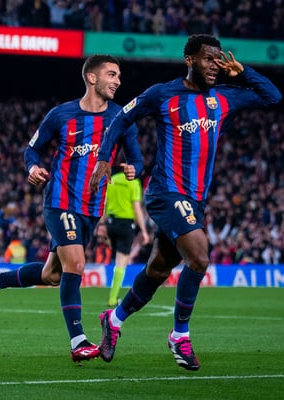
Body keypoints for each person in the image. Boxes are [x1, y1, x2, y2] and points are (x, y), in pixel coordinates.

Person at [89, 34, 282, 371]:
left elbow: (273, 96)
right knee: (200, 256)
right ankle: (180, 336)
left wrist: (244, 72)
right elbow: (121, 119)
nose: (215, 65)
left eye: (218, 60)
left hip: (196, 200)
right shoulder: (162, 94)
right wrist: (104, 158)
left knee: (157, 269)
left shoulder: (224, 97)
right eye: (208, 59)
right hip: (166, 192)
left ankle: (114, 319)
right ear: (189, 60)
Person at [0, 54, 143, 363]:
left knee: (52, 275)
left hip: (92, 208)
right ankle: (78, 341)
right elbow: (32, 149)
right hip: (60, 200)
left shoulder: (121, 118)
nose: (118, 81)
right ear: (91, 78)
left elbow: (137, 158)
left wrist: (134, 168)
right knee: (75, 265)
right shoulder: (61, 115)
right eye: (111, 74)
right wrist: (33, 167)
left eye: (119, 75)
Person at [103, 166, 150, 307]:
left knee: (116, 259)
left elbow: (104, 203)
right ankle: (113, 298)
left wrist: (102, 224)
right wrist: (144, 230)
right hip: (126, 225)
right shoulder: (134, 183)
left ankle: (113, 293)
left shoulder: (112, 180)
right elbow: (137, 208)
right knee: (122, 262)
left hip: (111, 223)